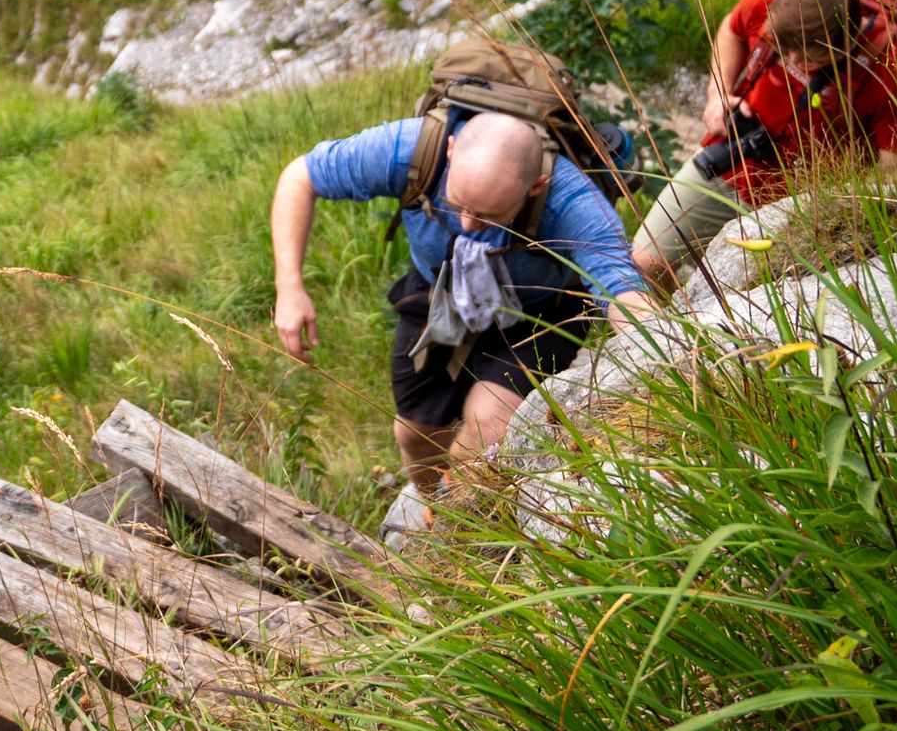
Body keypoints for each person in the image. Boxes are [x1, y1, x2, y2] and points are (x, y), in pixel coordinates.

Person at [267, 107, 649, 499]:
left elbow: (622, 289)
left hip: (540, 310)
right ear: (451, 151)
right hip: (441, 291)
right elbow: (300, 177)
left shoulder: (571, 200)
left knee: (488, 426)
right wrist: (290, 287)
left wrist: (662, 362)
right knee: (415, 434)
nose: (467, 225)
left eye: (488, 216)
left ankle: (465, 522)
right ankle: (435, 510)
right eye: (457, 204)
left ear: (535, 187)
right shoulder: (409, 150)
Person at [629, 0, 897, 296]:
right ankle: (671, 318)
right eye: (783, 48)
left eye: (808, 57)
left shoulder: (895, 76)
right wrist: (718, 94)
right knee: (642, 268)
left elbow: (894, 178)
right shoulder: (763, 0)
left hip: (802, 207)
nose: (793, 61)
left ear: (846, 41)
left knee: (748, 298)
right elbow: (731, 30)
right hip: (729, 163)